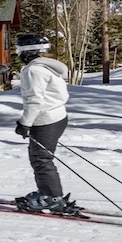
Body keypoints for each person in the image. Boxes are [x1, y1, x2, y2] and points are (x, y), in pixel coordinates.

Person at [13, 34, 78, 215]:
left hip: (45, 120)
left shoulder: (34, 71)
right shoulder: (45, 67)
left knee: (41, 159)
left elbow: (34, 101)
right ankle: (48, 194)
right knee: (42, 157)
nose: (18, 53)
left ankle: (52, 198)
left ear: (27, 51)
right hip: (57, 116)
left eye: (19, 50)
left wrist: (25, 123)